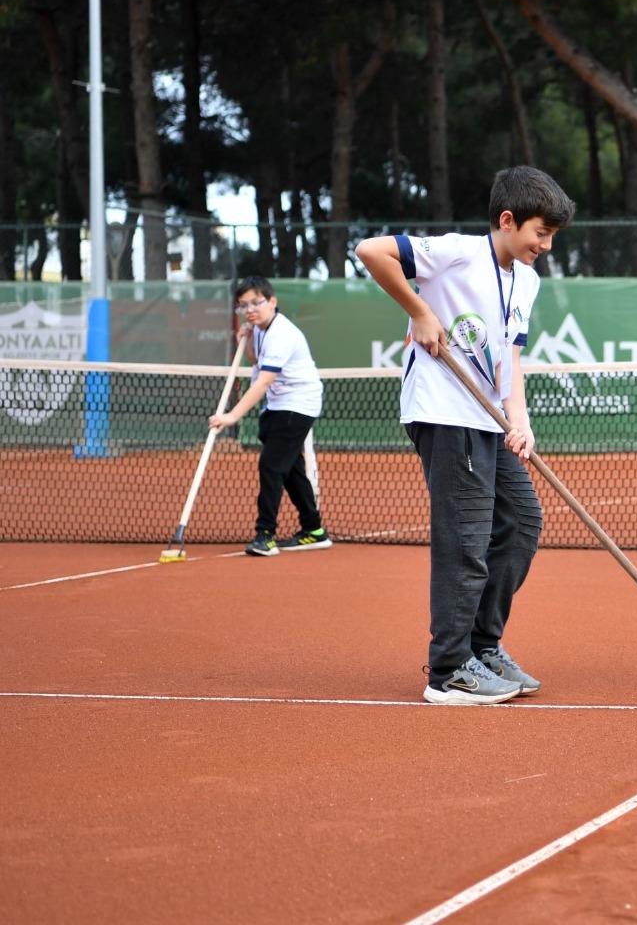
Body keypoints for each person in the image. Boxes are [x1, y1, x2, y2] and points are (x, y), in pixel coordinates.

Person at [354, 166, 573, 706]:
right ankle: (449, 668)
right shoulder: (455, 253)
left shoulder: (528, 279)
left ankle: (482, 645)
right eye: (540, 233)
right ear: (507, 220)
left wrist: (518, 419)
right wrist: (421, 312)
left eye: (551, 236)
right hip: (446, 412)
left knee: (521, 522)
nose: (545, 245)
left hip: (490, 419)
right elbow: (370, 251)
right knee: (466, 540)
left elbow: (511, 358)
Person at [209, 276, 329, 557]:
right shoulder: (260, 328)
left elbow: (262, 381)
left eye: (256, 303)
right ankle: (314, 530)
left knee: (272, 466)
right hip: (277, 404)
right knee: (289, 469)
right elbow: (257, 361)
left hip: (298, 404)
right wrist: (247, 341)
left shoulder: (282, 334)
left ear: (272, 301)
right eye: (243, 306)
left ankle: (265, 534)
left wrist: (232, 416)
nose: (249, 310)